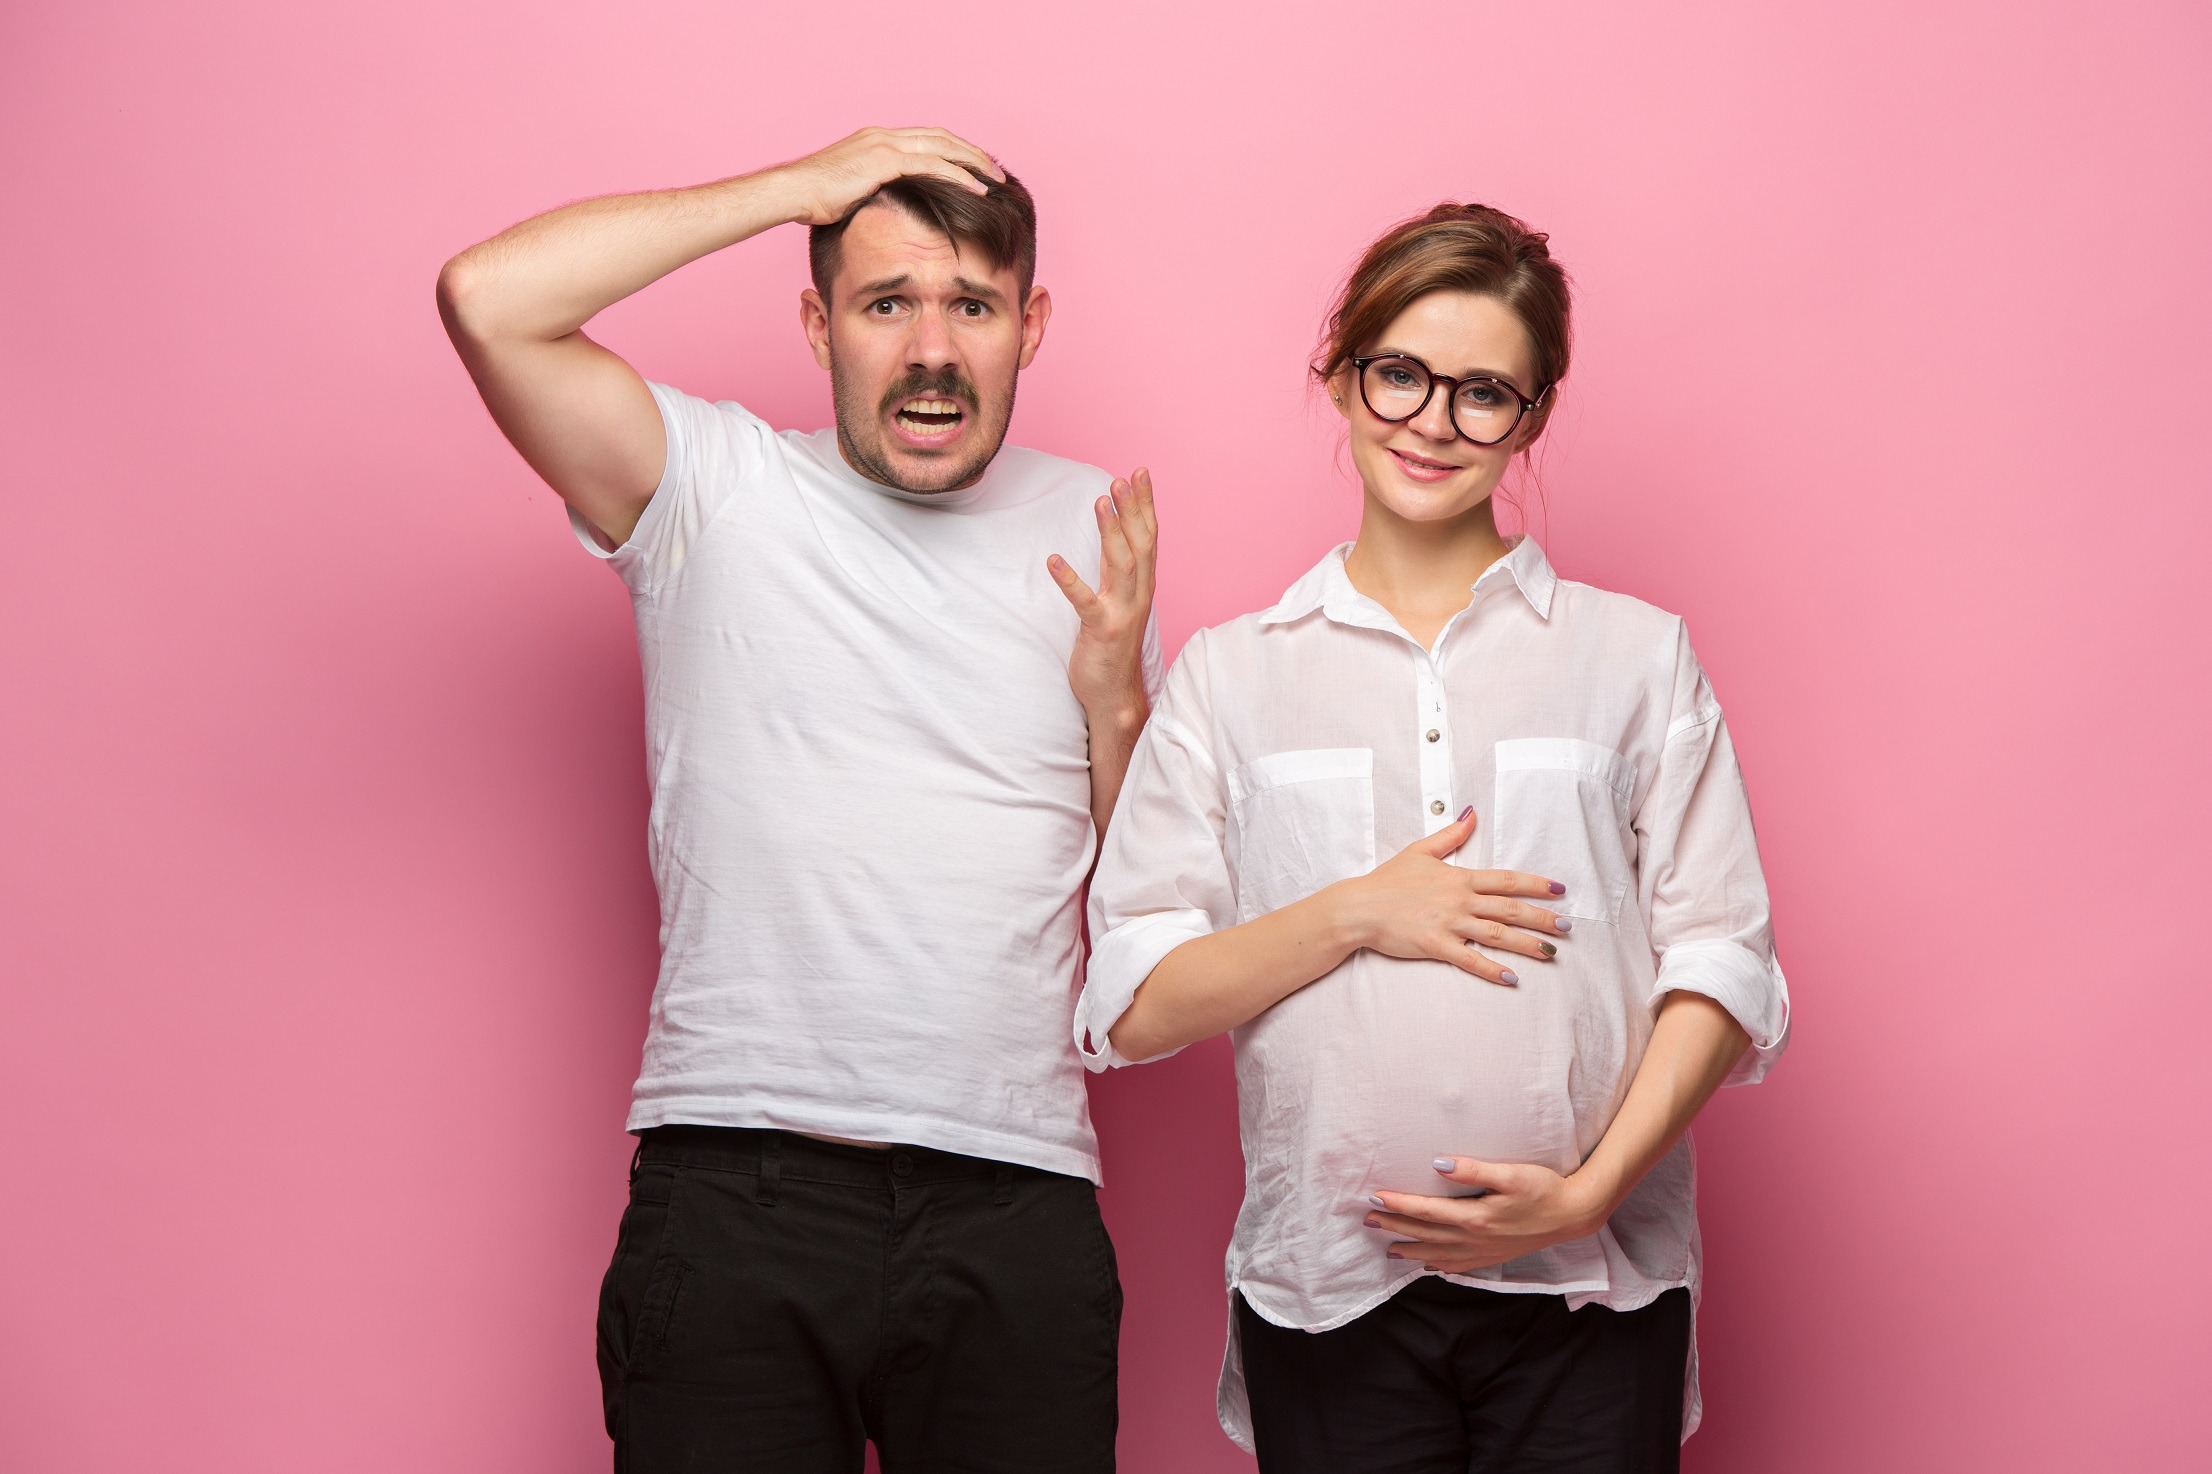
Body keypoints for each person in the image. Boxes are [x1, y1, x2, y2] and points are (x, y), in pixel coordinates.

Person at [436, 127, 1159, 1474]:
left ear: (1030, 323)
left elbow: (1146, 933)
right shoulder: (711, 488)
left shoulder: (1093, 532)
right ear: (819, 321)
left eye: (973, 305)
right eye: (887, 303)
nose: (932, 349)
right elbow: (491, 300)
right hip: (739, 1185)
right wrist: (793, 190)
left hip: (1018, 1195)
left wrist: (1117, 704)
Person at [1079, 203, 1790, 1473]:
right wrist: (1354, 910)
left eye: (1483, 393)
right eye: (1400, 373)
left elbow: (1723, 962)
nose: (1431, 422)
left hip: (1593, 1290)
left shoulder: (1633, 655)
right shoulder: (1231, 678)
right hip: (1329, 1291)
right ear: (1341, 371)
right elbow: (1132, 1001)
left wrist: (1584, 1192)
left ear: (1532, 416)